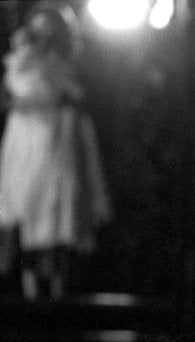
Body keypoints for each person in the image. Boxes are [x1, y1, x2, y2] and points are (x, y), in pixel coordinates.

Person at [0, 3, 112, 300]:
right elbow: (11, 96)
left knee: (54, 212)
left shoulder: (65, 63)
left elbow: (76, 95)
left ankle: (58, 296)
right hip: (23, 140)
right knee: (24, 210)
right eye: (38, 25)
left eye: (49, 26)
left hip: (55, 140)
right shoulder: (19, 59)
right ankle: (29, 293)